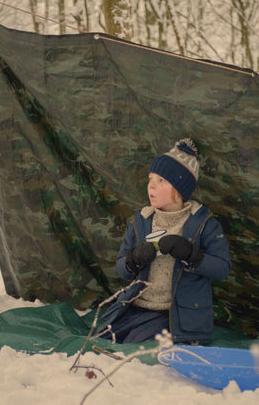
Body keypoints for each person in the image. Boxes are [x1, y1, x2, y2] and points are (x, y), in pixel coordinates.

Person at [99, 138, 231, 344]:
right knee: (101, 340)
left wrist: (190, 254)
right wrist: (134, 258)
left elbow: (222, 268)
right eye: (150, 179)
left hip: (173, 315)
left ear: (179, 189)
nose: (151, 186)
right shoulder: (141, 220)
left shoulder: (204, 224)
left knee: (135, 348)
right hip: (136, 307)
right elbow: (121, 268)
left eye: (161, 181)